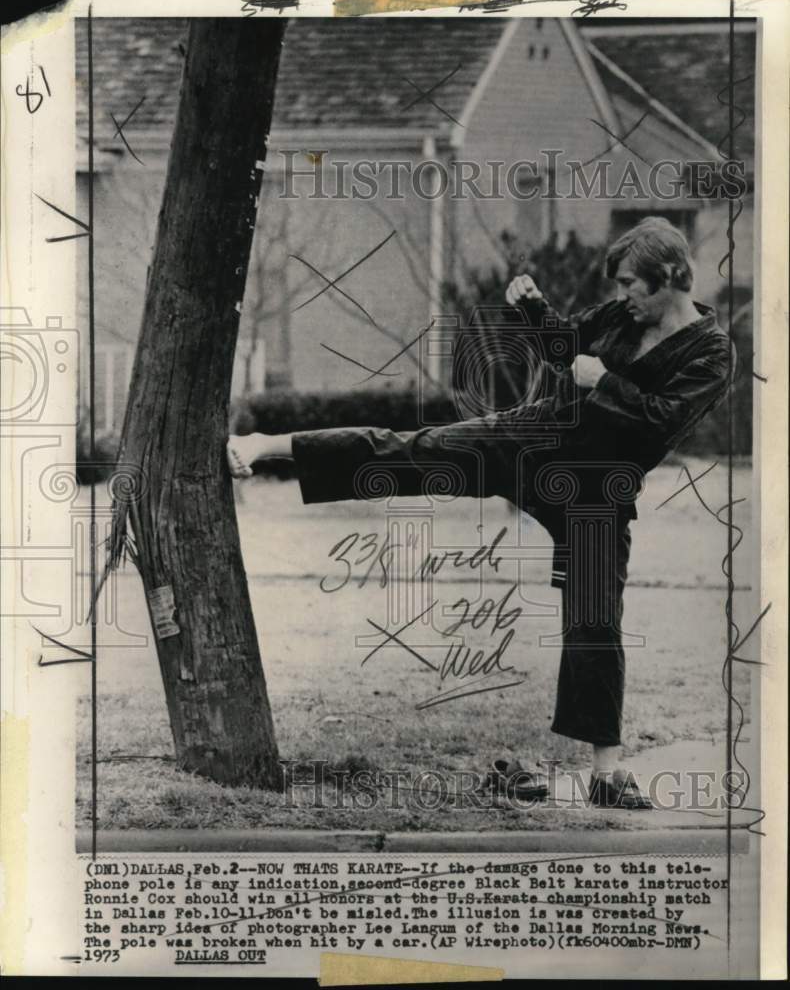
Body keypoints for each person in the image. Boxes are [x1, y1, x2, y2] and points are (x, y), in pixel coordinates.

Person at [228, 216, 736, 809]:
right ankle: (264, 444)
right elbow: (564, 351)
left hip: (600, 488)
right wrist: (535, 311)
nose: (621, 296)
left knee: (595, 619)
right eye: (620, 285)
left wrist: (605, 380)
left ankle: (607, 772)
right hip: (535, 437)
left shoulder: (711, 353)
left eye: (630, 284)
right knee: (411, 450)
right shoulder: (623, 317)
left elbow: (659, 420)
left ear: (670, 276)